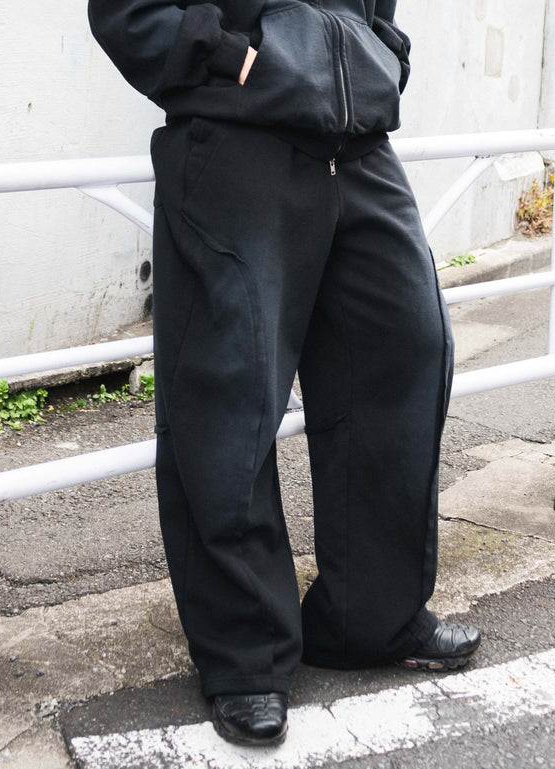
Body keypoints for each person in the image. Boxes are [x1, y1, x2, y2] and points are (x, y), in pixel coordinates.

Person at [87, 0, 481, 748]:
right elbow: (126, 12)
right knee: (228, 398)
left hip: (359, 145)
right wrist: (229, 57)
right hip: (236, 141)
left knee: (407, 354)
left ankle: (367, 618)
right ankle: (247, 658)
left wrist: (380, 54)